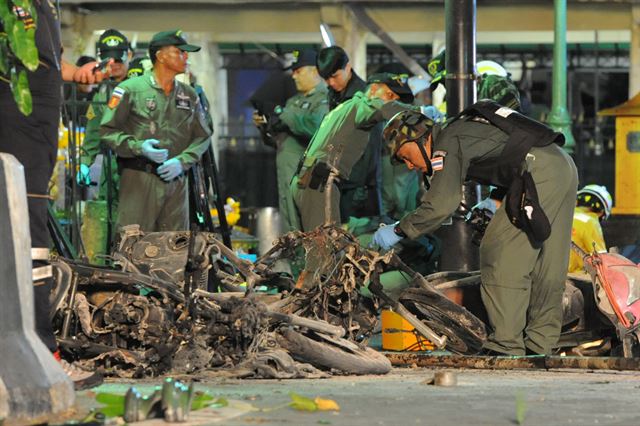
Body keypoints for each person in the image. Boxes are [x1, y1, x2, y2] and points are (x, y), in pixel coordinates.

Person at [374, 101, 578, 356]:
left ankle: (506, 345)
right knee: (548, 260)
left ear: (421, 138)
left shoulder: (446, 141)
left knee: (499, 250)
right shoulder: (460, 130)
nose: (409, 166)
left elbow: (441, 204)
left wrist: (398, 230)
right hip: (560, 164)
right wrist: (494, 200)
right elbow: (508, 150)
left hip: (536, 170)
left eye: (405, 156)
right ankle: (540, 344)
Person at [0, 0, 106, 389]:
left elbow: (47, 62)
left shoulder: (46, 6)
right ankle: (40, 357)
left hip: (38, 138)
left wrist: (77, 73)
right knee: (26, 243)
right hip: (16, 130)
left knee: (32, 243)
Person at [100, 29, 212, 232]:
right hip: (139, 180)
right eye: (179, 51)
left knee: (175, 247)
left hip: (176, 182)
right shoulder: (130, 90)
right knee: (133, 245)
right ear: (160, 55)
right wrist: (139, 147)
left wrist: (182, 161)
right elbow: (108, 130)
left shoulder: (189, 95)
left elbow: (203, 136)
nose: (186, 57)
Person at [291, 73, 414, 231]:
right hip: (318, 181)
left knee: (310, 244)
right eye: (390, 95)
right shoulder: (360, 107)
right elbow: (383, 108)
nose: (393, 101)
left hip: (307, 180)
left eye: (397, 100)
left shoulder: (347, 106)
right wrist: (418, 112)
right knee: (323, 247)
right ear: (373, 89)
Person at [253, 49, 328, 232]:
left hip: (306, 175)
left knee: (308, 224)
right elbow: (277, 139)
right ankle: (294, 258)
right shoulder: (293, 100)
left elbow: (315, 130)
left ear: (315, 71)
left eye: (298, 71)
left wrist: (282, 113)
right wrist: (264, 126)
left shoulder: (324, 99)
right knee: (289, 221)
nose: (294, 76)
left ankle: (307, 260)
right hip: (286, 170)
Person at [568, 184, 612, 273]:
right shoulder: (590, 221)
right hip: (571, 278)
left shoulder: (563, 215)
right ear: (601, 212)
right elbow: (602, 259)